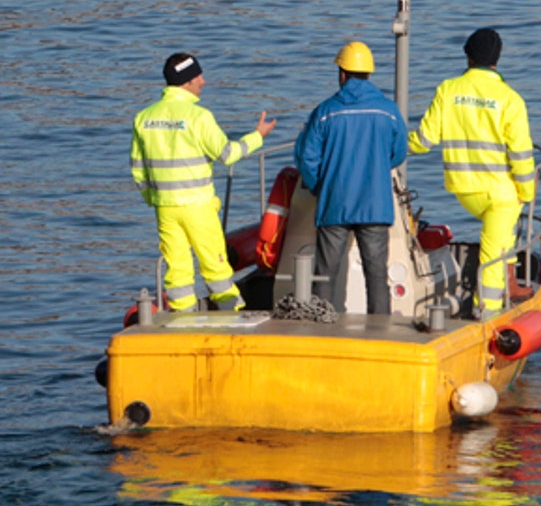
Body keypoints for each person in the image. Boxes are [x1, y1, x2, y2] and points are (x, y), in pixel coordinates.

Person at [131, 52, 277, 312]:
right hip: (197, 206)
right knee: (216, 268)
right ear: (186, 81)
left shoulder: (144, 118)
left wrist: (154, 199)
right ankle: (233, 317)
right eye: (198, 76)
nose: (203, 81)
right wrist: (258, 136)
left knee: (177, 272)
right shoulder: (199, 117)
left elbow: (138, 169)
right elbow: (228, 154)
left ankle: (182, 321)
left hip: (165, 208)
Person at [408, 28, 536, 316]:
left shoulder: (447, 90)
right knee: (493, 250)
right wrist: (527, 193)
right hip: (499, 193)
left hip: (463, 188)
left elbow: (424, 140)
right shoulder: (510, 99)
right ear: (497, 60)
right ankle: (487, 314)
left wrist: (396, 147)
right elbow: (521, 156)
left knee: (502, 233)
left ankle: (511, 282)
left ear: (468, 56)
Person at [293, 41, 408, 314]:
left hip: (335, 202)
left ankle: (322, 324)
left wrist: (321, 185)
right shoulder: (388, 111)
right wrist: (376, 171)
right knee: (377, 276)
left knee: (325, 275)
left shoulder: (325, 112)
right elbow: (399, 153)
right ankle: (380, 330)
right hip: (375, 205)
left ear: (342, 74)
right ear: (369, 73)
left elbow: (306, 157)